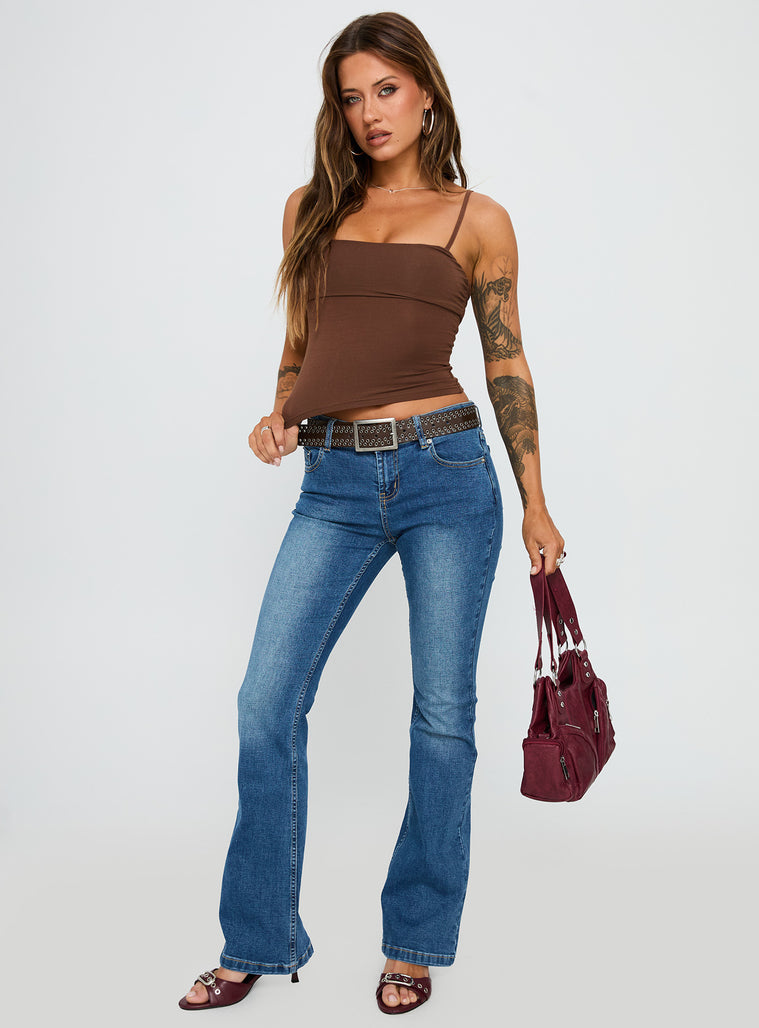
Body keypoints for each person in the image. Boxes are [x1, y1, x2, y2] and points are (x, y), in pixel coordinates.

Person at [179, 10, 564, 1016]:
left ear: (425, 92)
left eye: (385, 90)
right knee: (265, 704)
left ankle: (415, 939)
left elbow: (506, 361)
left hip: (448, 471)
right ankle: (256, 937)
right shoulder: (311, 208)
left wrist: (535, 501)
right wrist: (279, 413)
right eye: (351, 97)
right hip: (335, 483)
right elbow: (303, 343)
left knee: (442, 717)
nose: (369, 113)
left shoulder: (477, 218)